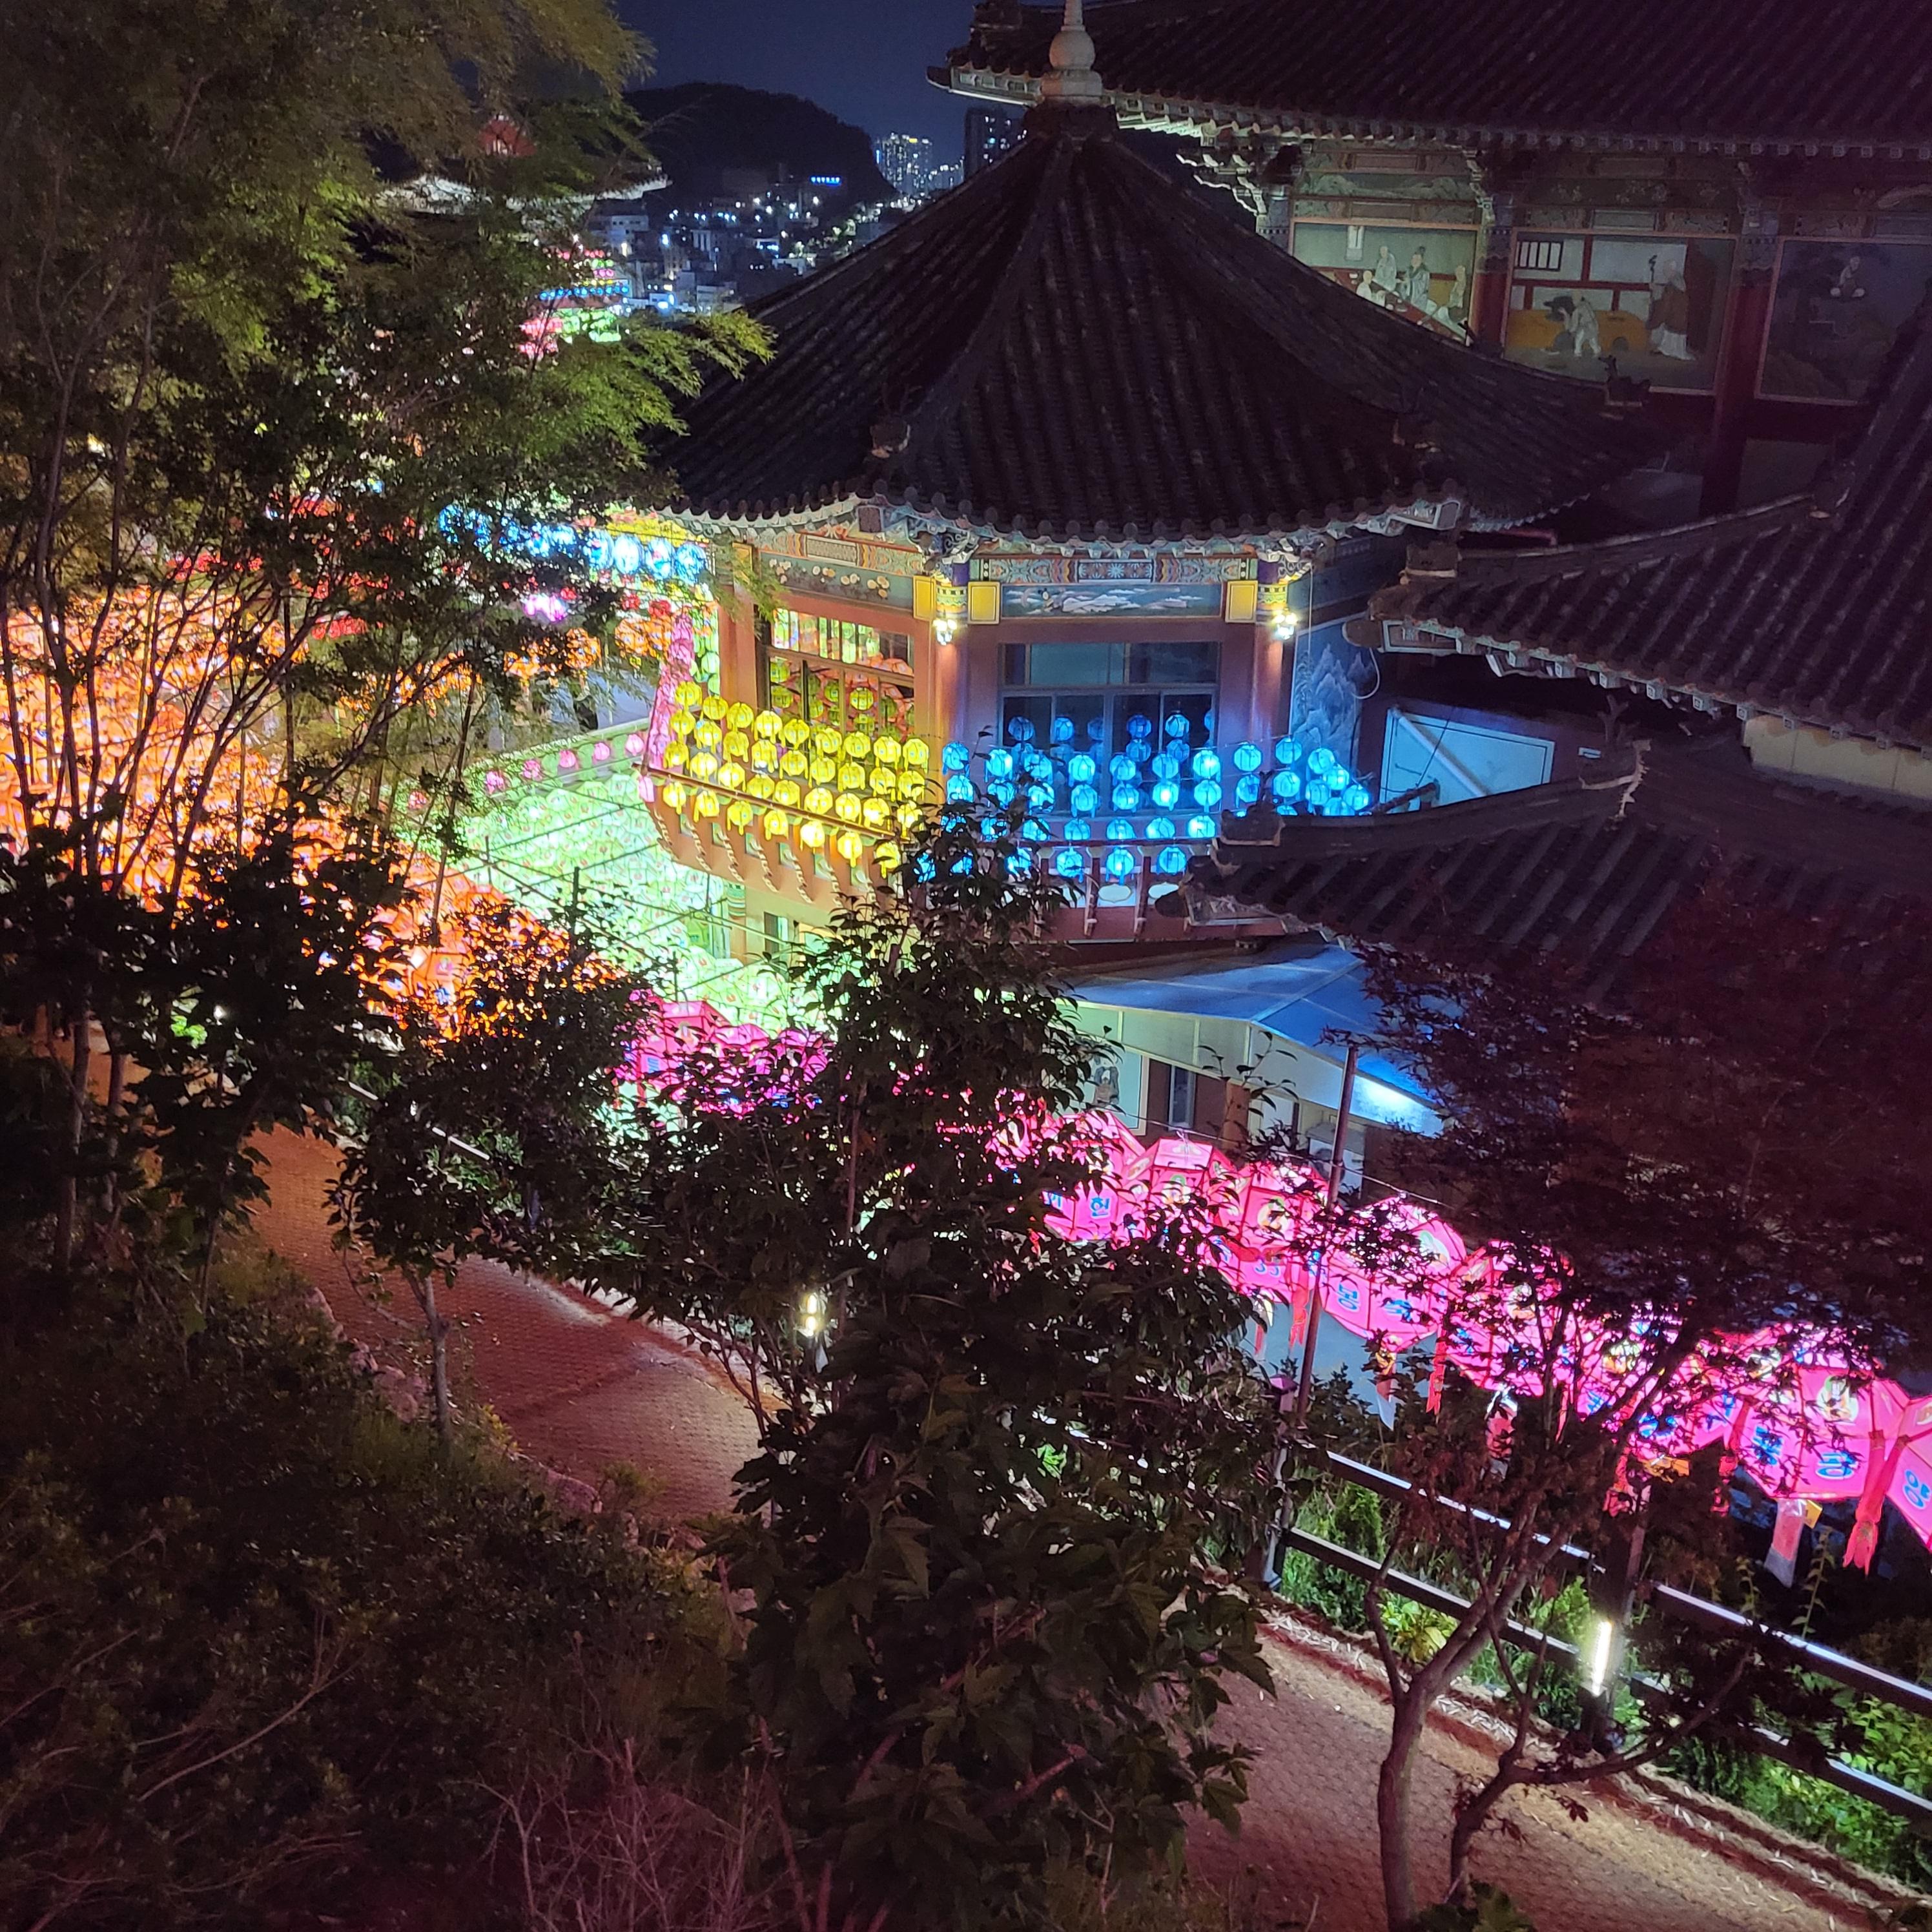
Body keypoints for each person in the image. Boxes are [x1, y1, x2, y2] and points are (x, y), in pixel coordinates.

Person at [1647, 256, 1695, 360]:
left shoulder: (1673, 285)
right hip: (1678, 316)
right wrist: (1658, 289)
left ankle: (1671, 351)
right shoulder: (1679, 281)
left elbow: (1666, 300)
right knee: (1671, 335)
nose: (1665, 272)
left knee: (1673, 333)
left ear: (1671, 270)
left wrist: (1656, 291)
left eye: (1666, 270)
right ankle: (1668, 349)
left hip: (1675, 315)